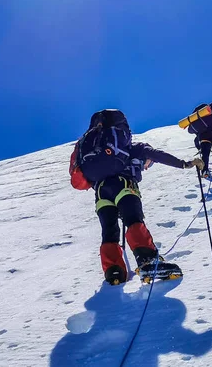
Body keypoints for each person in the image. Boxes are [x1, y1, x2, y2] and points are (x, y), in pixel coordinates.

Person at [69, 109, 204, 285]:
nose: (148, 166)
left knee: (109, 231)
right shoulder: (135, 148)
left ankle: (114, 271)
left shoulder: (97, 145)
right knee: (133, 220)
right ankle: (148, 261)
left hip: (101, 191)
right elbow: (157, 155)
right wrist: (184, 164)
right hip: (123, 185)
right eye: (149, 165)